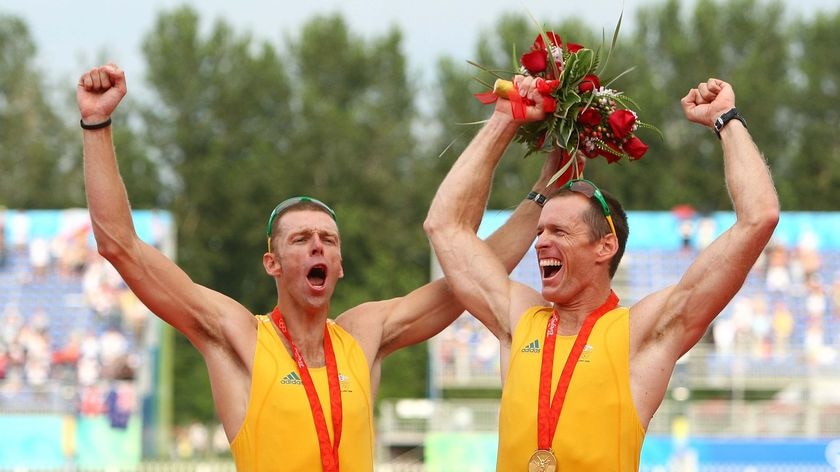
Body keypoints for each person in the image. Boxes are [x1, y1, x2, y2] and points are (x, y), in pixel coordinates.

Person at [76, 63, 570, 471]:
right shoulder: (238, 335)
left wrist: (545, 189)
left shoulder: (363, 335)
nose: (318, 247)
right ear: (271, 262)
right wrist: (97, 125)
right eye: (302, 240)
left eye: (328, 240)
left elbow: (471, 275)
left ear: (339, 265)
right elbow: (120, 245)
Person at [424, 76, 779, 470]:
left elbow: (758, 218)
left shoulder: (641, 332)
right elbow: (445, 227)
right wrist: (504, 119)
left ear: (605, 246)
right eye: (540, 230)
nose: (540, 242)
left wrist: (725, 119)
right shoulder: (520, 317)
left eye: (559, 231)